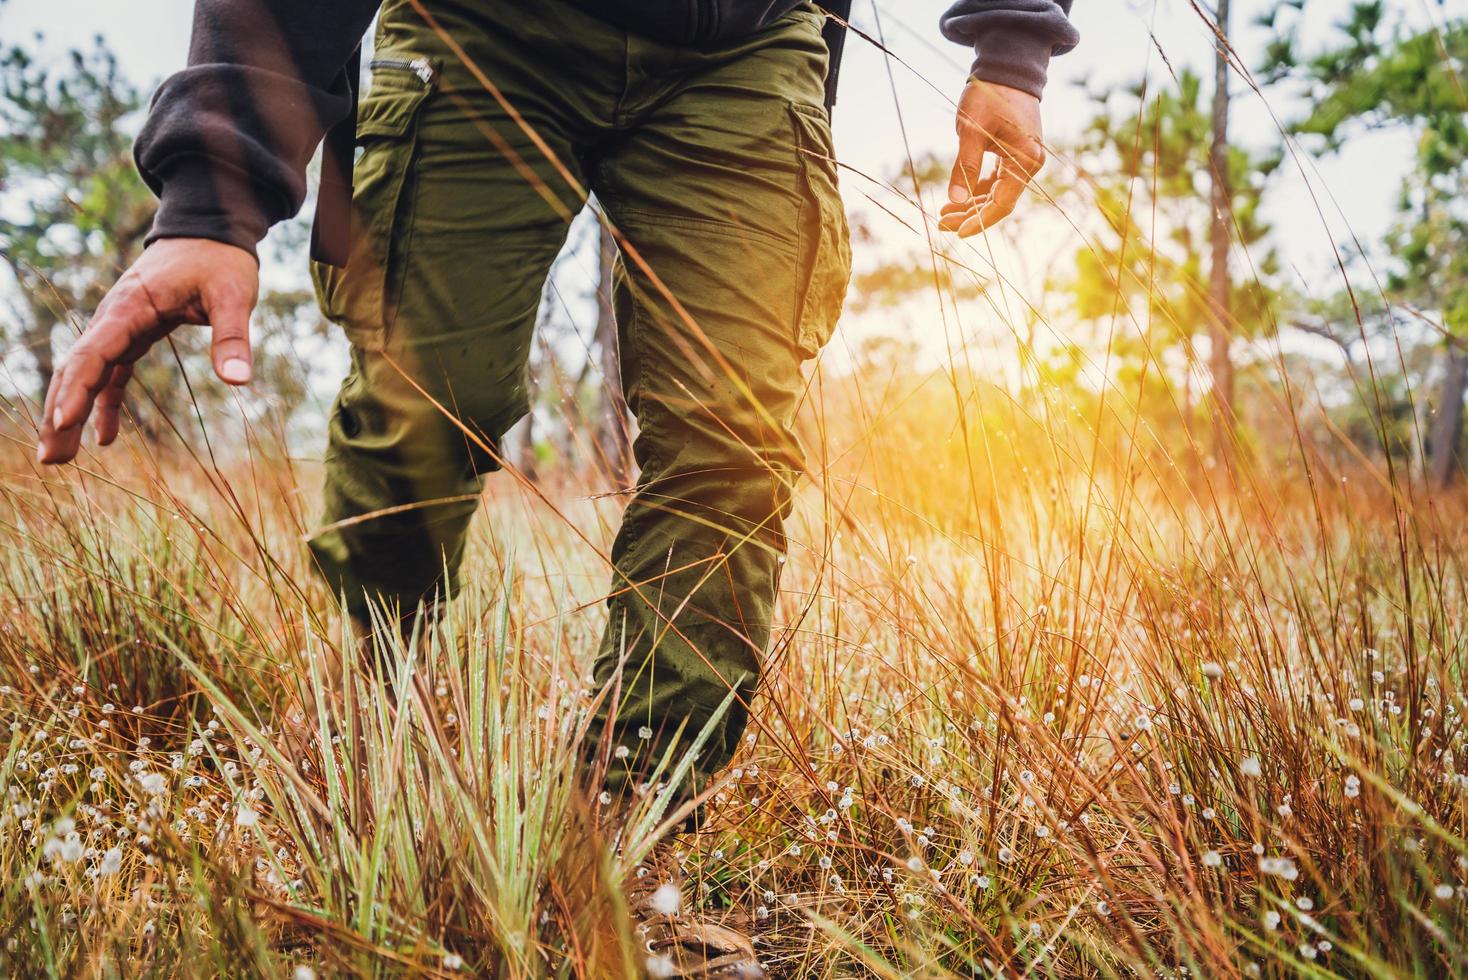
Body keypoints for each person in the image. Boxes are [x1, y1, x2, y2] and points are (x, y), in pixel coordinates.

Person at [35, 0, 1075, 973]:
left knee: (731, 448)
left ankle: (623, 849)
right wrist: (211, 199)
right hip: (479, 31)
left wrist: (1013, 40)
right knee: (423, 411)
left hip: (743, 46)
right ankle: (373, 765)